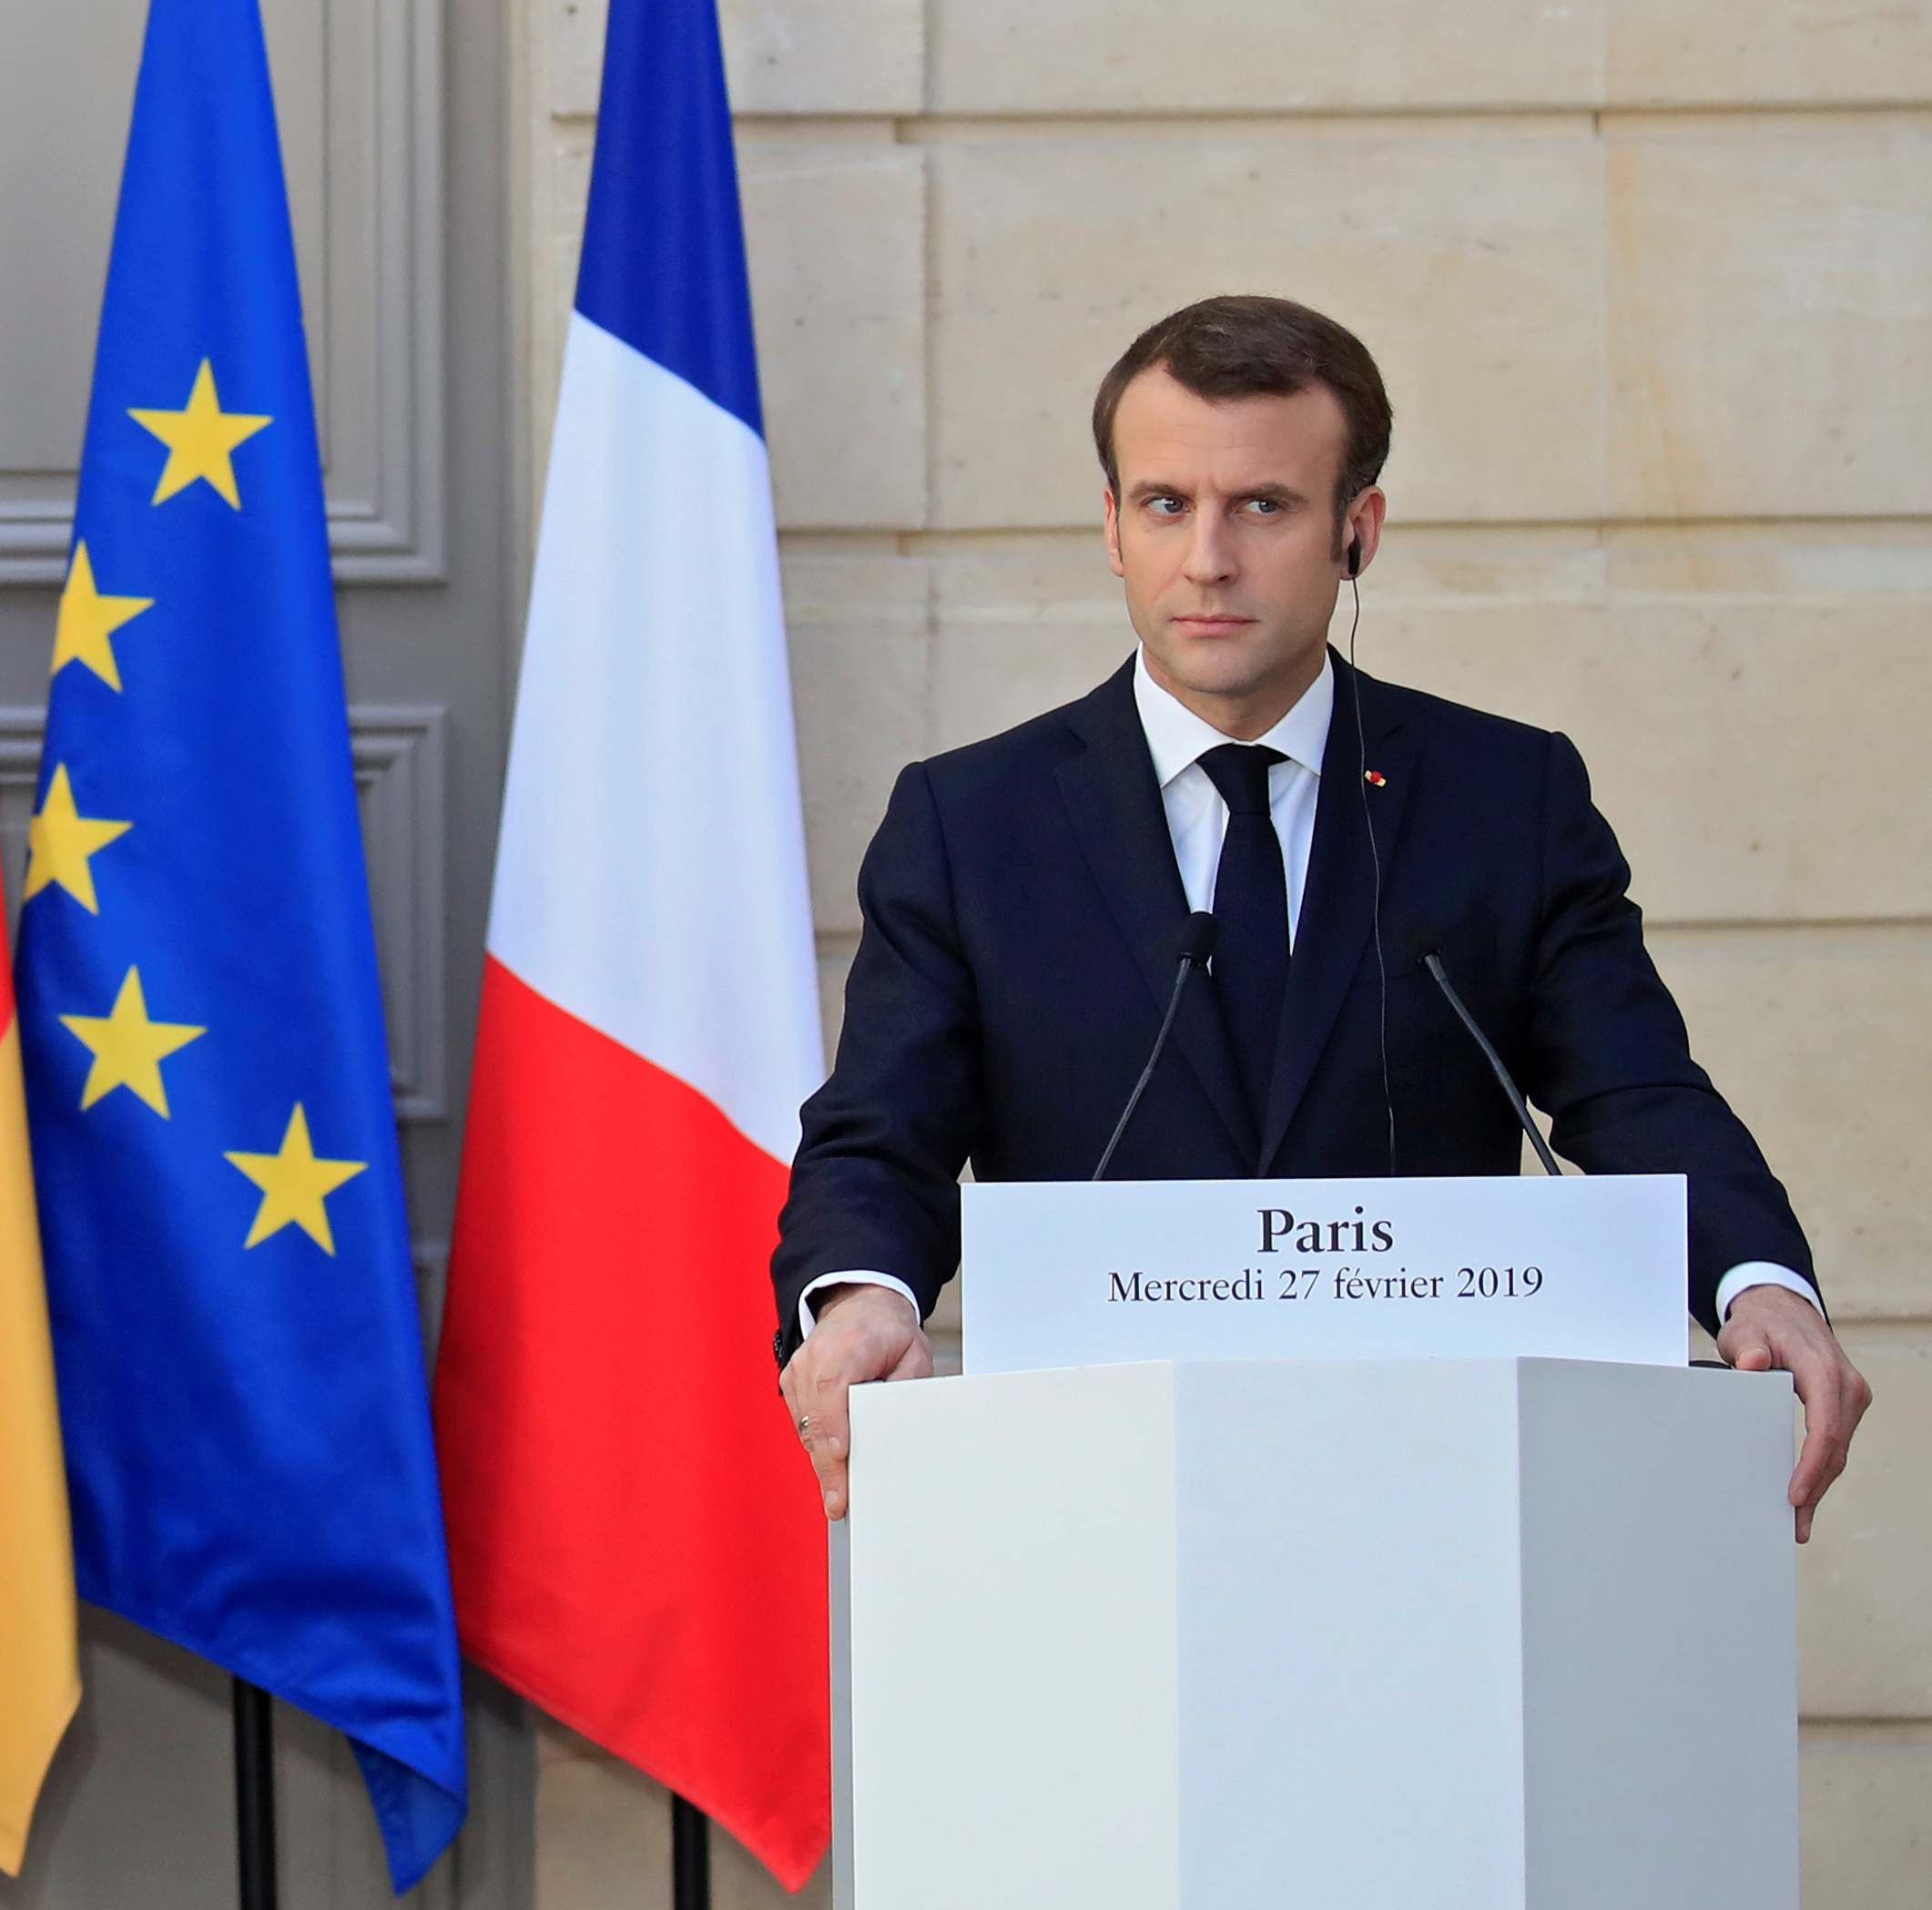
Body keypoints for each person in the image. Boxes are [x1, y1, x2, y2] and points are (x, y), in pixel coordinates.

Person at [774, 297, 1866, 1537]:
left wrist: (1752, 1279)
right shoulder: (969, 822)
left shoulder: (1503, 798)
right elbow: (881, 1138)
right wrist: (860, 1294)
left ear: (1357, 531)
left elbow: (1630, 1092)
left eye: (1263, 506)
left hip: (1435, 1505)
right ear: (1110, 528)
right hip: (1092, 1513)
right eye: (1164, 503)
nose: (1206, 561)